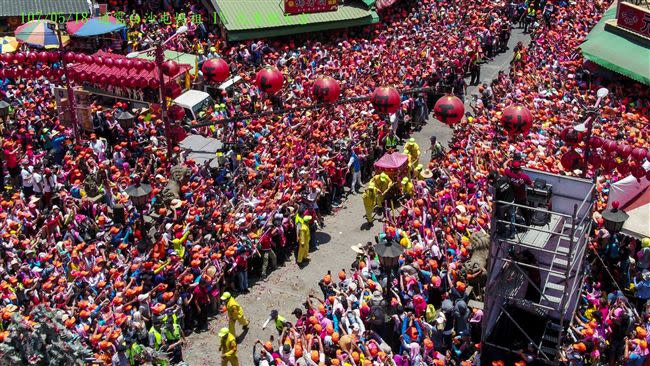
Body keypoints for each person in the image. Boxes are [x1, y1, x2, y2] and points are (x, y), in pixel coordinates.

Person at [504, 160, 533, 226]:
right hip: (521, 197)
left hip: (512, 197)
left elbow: (504, 165)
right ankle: (528, 223)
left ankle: (511, 225)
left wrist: (508, 160)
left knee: (512, 212)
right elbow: (531, 185)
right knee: (524, 210)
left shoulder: (509, 173)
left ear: (512, 168)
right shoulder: (525, 177)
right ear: (520, 168)